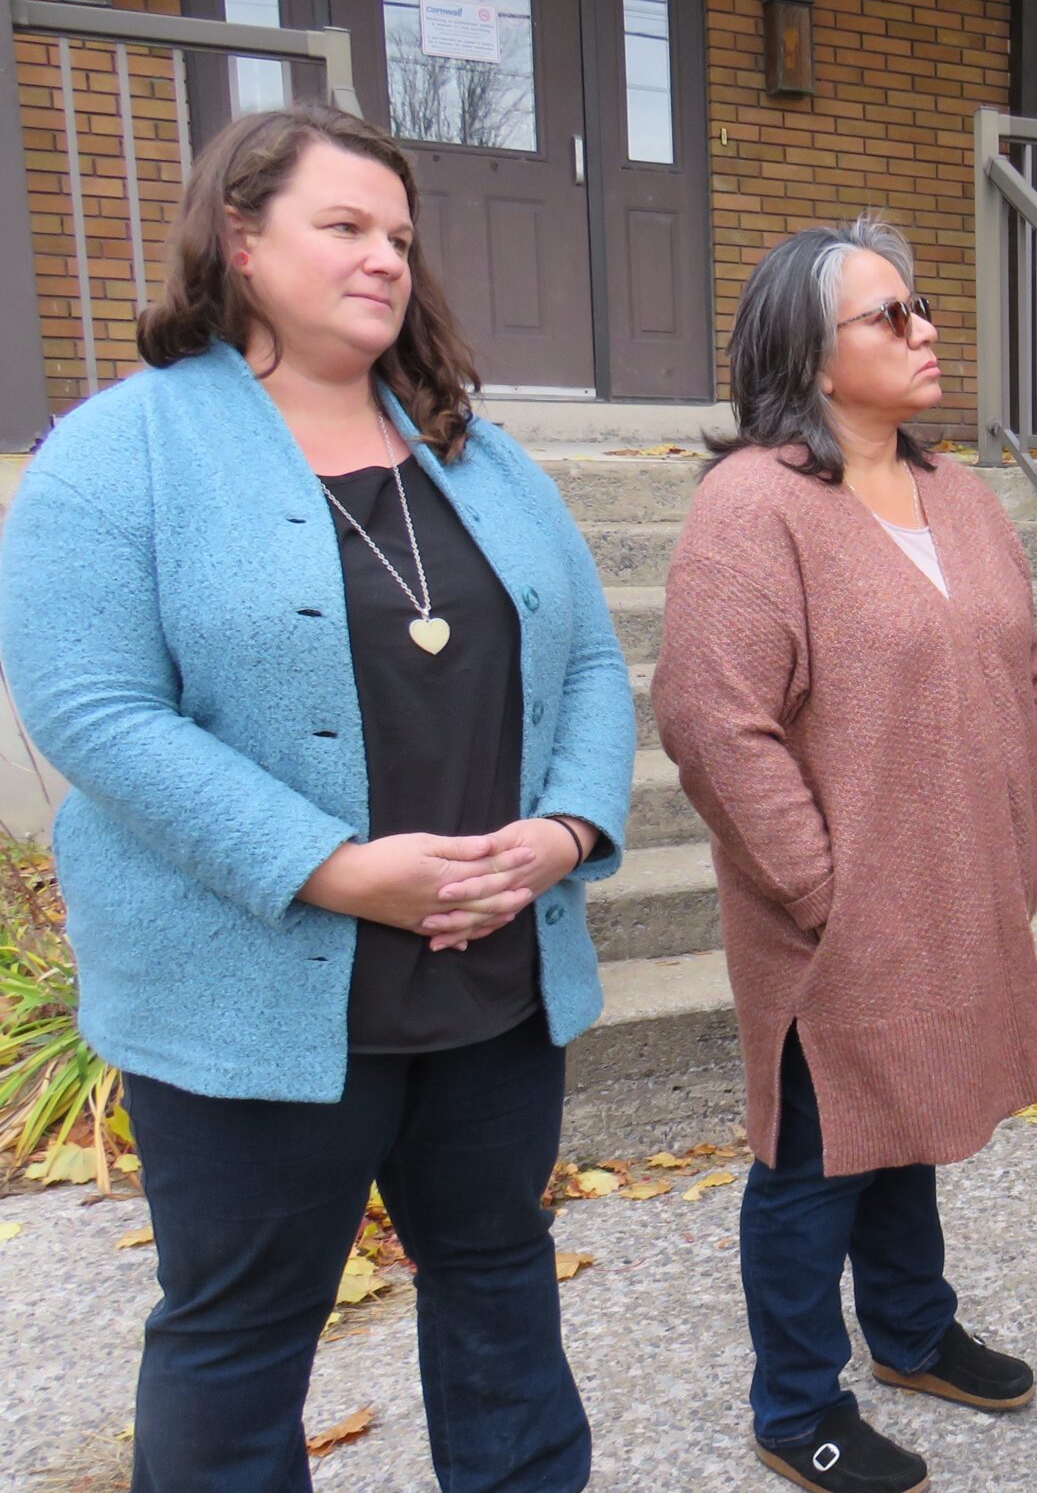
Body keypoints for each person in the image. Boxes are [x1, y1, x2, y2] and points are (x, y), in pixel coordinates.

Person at [0, 104, 634, 1492]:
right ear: (238, 240)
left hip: (490, 982)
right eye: (344, 226)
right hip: (246, 1000)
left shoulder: (474, 451)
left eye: (398, 234)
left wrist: (566, 832)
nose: (385, 258)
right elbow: (94, 710)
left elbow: (588, 658)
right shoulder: (119, 451)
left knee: (499, 1277)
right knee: (237, 1335)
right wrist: (332, 869)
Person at [650, 218, 1037, 1493]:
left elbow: (1026, 675)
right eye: (890, 315)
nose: (926, 328)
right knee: (814, 1158)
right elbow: (711, 720)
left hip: (961, 886)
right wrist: (822, 888)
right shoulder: (755, 506)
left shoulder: (963, 496)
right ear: (811, 353)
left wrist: (1028, 829)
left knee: (907, 1115)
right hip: (831, 916)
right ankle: (795, 1407)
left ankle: (913, 1331)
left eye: (919, 304)